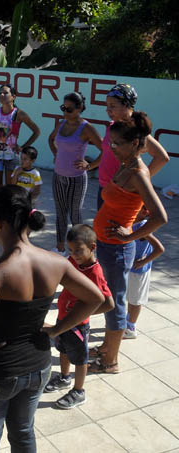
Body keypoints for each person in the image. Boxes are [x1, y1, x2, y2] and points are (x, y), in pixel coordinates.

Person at [0, 185, 106, 452]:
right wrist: (58, 329)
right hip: (38, 367)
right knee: (24, 433)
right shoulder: (56, 262)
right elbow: (98, 299)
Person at [90, 113, 168, 374]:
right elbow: (135, 204)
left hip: (117, 249)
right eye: (111, 144)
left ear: (135, 143)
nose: (112, 148)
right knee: (110, 298)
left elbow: (161, 217)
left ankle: (110, 361)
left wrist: (129, 235)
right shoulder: (125, 165)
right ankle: (106, 347)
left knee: (116, 303)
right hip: (107, 244)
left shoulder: (137, 173)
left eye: (117, 144)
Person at [43, 224, 114, 410]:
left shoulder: (95, 273)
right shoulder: (73, 262)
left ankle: (79, 391)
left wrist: (82, 313)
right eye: (71, 250)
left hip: (78, 325)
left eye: (79, 250)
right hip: (64, 318)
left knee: (80, 358)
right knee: (63, 350)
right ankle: (64, 378)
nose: (74, 254)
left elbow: (108, 304)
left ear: (92, 247)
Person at [87, 84, 169, 209]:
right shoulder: (113, 126)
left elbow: (162, 157)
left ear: (126, 105)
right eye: (107, 106)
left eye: (113, 106)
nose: (108, 110)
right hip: (105, 187)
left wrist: (138, 182)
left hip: (121, 192)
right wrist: (90, 166)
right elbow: (106, 153)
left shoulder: (134, 130)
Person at [47, 92, 103, 254]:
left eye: (69, 109)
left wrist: (90, 165)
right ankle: (60, 247)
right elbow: (51, 139)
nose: (65, 112)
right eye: (63, 108)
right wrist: (56, 154)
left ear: (80, 109)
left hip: (76, 178)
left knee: (75, 214)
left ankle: (80, 248)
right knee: (60, 212)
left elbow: (105, 150)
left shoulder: (86, 128)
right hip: (58, 176)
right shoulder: (61, 124)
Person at [0, 84, 40, 234]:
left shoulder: (19, 114)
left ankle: (12, 223)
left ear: (13, 96)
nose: (2, 95)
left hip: (10, 158)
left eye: (5, 93)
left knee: (11, 191)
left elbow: (36, 131)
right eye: (0, 93)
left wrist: (23, 148)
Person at [125, 209, 164, 339]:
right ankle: (127, 320)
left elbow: (159, 249)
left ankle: (130, 328)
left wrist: (143, 261)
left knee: (135, 300)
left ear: (145, 213)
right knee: (130, 297)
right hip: (131, 269)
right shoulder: (132, 222)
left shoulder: (142, 227)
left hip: (139, 272)